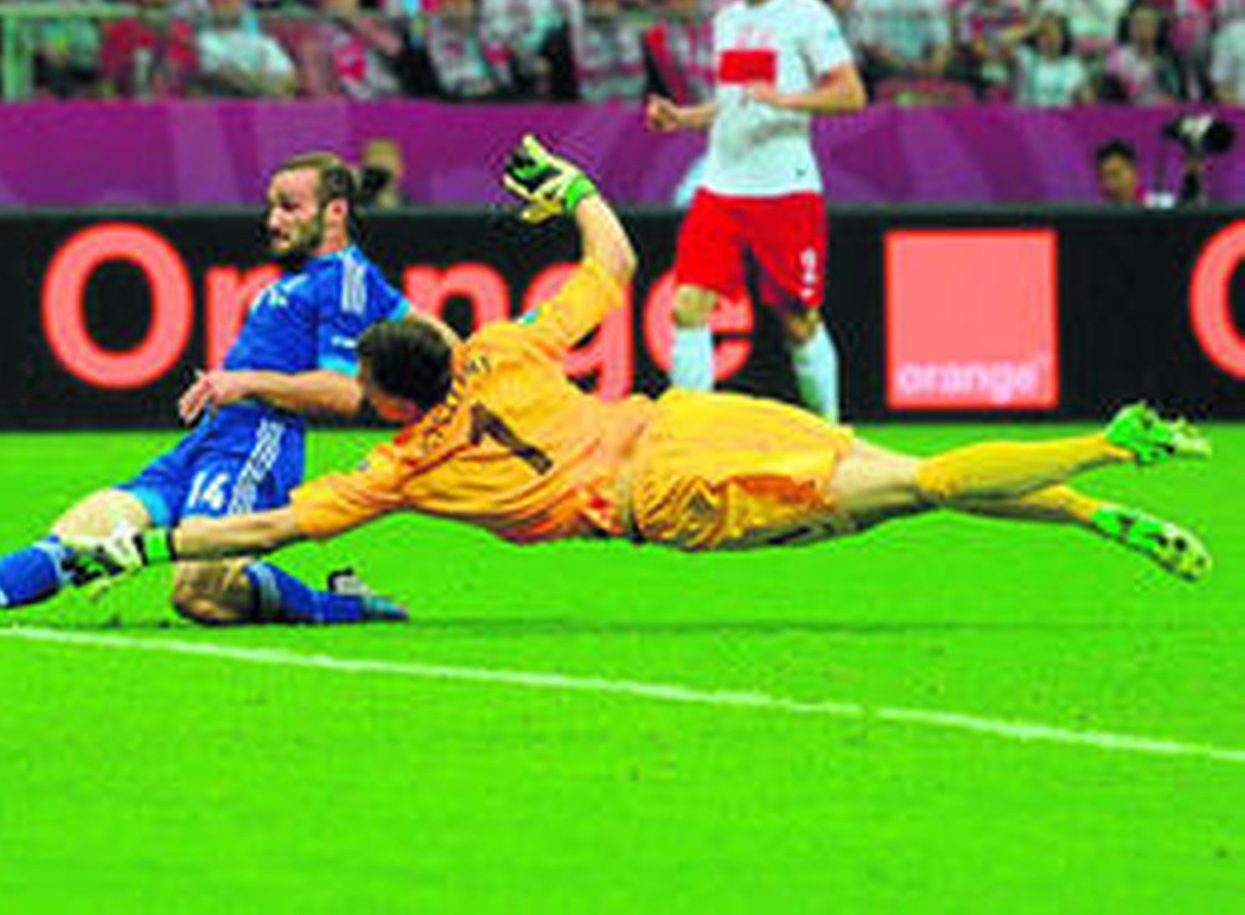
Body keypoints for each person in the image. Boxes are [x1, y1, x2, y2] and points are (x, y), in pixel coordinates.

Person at [68, 137, 1213, 595]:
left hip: (670, 495)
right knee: (899, 478)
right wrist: (569, 187)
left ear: (384, 399)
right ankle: (1088, 509)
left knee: (908, 490)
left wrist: (143, 542)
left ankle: (1110, 439)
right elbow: (614, 256)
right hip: (691, 419)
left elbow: (264, 530)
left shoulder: (403, 465)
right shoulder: (505, 342)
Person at [0, 152, 423, 631]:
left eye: (289, 207)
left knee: (198, 594)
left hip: (260, 444)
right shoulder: (302, 280)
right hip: (205, 444)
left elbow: (346, 393)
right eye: (271, 205)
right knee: (80, 534)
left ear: (336, 211)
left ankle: (341, 606)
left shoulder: (344, 279)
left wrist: (244, 382)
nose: (273, 220)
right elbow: (412, 318)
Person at [644, 0, 865, 421]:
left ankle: (831, 433)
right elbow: (735, 102)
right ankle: (689, 435)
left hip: (785, 187)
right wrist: (683, 117)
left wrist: (785, 101)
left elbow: (850, 94)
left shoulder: (806, 14)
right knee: (687, 307)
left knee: (798, 321)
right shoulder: (726, 19)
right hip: (722, 186)